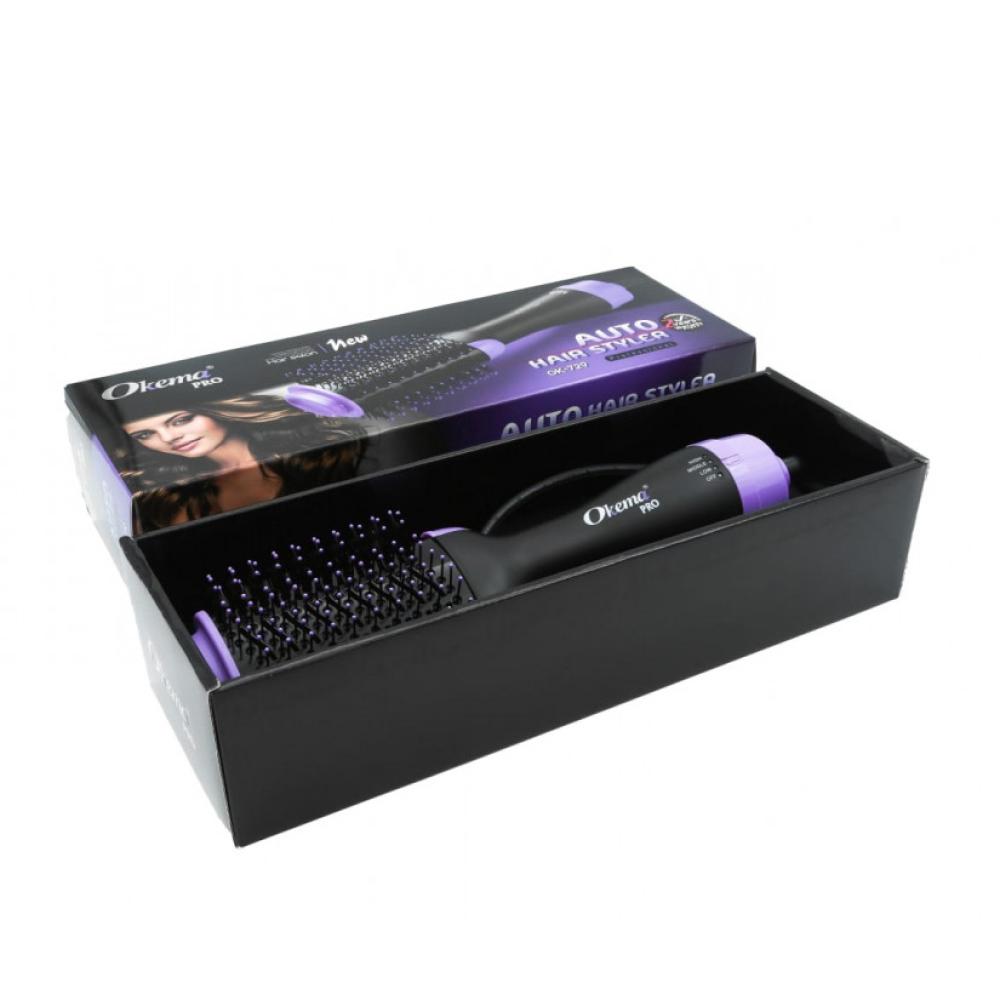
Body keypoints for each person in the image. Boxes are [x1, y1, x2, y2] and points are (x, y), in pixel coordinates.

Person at [116, 394, 364, 530]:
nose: (169, 438)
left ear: (215, 410)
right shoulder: (165, 496)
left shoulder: (319, 453)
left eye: (181, 420)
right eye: (145, 435)